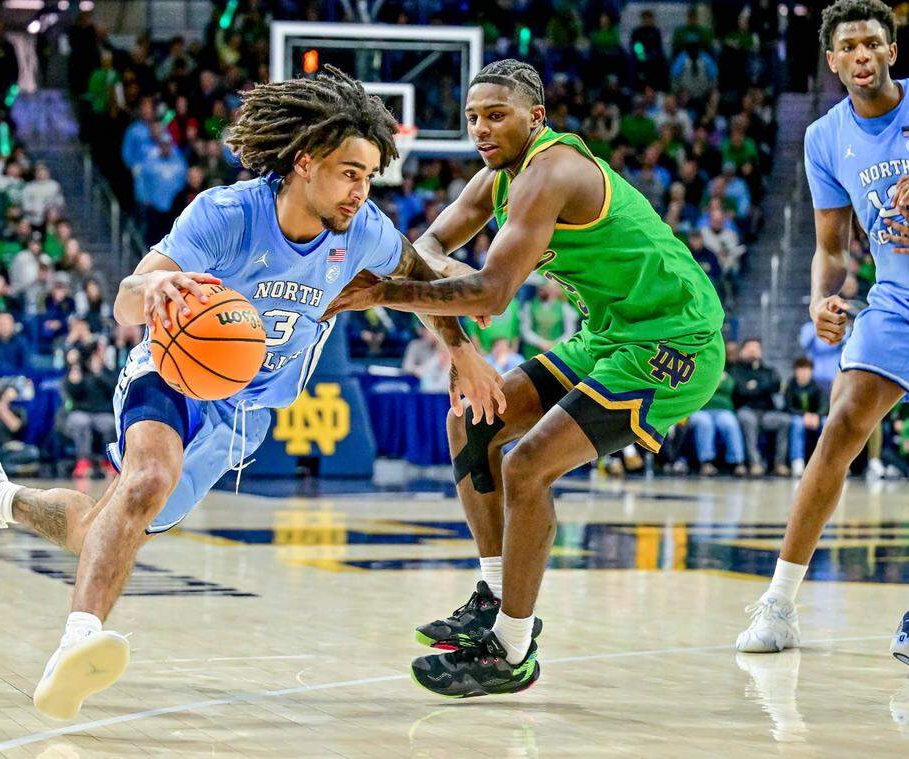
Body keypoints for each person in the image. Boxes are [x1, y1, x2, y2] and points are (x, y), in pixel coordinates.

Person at [0, 66, 493, 719]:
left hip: (243, 417)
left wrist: (461, 350)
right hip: (171, 371)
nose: (359, 191)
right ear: (305, 162)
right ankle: (76, 643)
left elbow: (416, 275)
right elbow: (124, 301)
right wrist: (153, 291)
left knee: (103, 528)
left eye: (368, 177)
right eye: (348, 172)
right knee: (146, 479)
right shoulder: (227, 214)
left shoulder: (361, 229)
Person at [323, 59, 725, 697]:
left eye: (496, 116)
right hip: (609, 331)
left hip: (673, 340)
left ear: (536, 119)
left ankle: (512, 649)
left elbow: (489, 293)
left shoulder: (553, 171)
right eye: (473, 118)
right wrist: (405, 276)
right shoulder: (494, 179)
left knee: (527, 466)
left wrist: (387, 292)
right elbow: (428, 247)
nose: (481, 129)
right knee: (471, 421)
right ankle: (493, 590)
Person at [735, 0, 909, 666]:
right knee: (840, 427)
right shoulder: (823, 138)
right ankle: (779, 603)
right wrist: (820, 301)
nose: (862, 55)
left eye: (873, 42)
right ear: (833, 61)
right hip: (894, 301)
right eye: (848, 47)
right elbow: (833, 246)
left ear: (892, 51)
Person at [731, 338, 790, 476]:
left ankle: (779, 464)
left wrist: (754, 386)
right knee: (748, 421)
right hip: (746, 410)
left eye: (756, 349)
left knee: (784, 421)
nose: (753, 352)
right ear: (743, 351)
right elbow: (741, 390)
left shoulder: (768, 370)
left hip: (766, 412)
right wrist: (762, 386)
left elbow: (776, 385)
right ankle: (755, 463)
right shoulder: (736, 370)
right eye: (749, 349)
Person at [60, 342, 115, 479]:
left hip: (102, 413)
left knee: (110, 424)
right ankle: (83, 461)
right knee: (80, 422)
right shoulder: (77, 372)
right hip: (80, 412)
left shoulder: (108, 372)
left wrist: (99, 374)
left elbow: (113, 391)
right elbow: (72, 395)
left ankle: (108, 461)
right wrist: (75, 382)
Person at [688, 363, 746, 475]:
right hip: (700, 409)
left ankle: (737, 462)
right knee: (704, 423)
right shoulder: (695, 368)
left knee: (729, 423)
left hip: (723, 410)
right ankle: (706, 462)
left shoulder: (728, 372)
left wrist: (712, 381)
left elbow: (729, 387)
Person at [782, 357, 825, 476]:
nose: (803, 373)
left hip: (815, 417)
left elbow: (824, 404)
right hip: (797, 417)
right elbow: (788, 406)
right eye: (800, 369)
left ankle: (827, 461)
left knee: (827, 424)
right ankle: (797, 461)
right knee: (797, 423)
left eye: (806, 369)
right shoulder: (790, 386)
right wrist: (803, 415)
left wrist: (817, 415)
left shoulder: (816, 386)